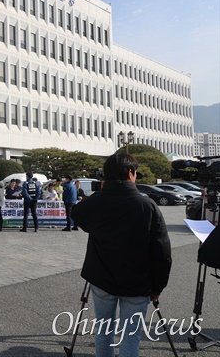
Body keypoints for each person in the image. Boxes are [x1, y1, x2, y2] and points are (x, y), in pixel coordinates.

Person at [71, 153, 172, 357]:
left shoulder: (97, 202)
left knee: (103, 331)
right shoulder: (147, 205)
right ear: (130, 173)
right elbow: (162, 252)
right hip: (137, 282)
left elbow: (77, 213)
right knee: (131, 336)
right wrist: (158, 287)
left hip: (101, 277)